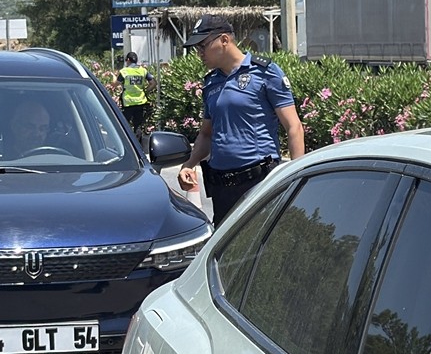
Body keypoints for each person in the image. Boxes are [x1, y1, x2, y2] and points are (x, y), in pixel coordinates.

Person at [177, 14, 305, 227]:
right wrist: (189, 164)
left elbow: (294, 127)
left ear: (224, 40)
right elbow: (206, 134)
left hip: (258, 182)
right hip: (221, 187)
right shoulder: (211, 82)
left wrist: (297, 177)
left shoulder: (266, 72)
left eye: (202, 46)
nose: (199, 53)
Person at [116, 52, 154, 138]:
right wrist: (145, 91)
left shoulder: (124, 71)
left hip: (128, 102)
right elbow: (153, 83)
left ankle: (126, 142)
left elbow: (115, 84)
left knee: (124, 124)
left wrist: (113, 77)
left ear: (128, 60)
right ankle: (138, 146)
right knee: (138, 125)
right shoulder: (143, 71)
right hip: (140, 102)